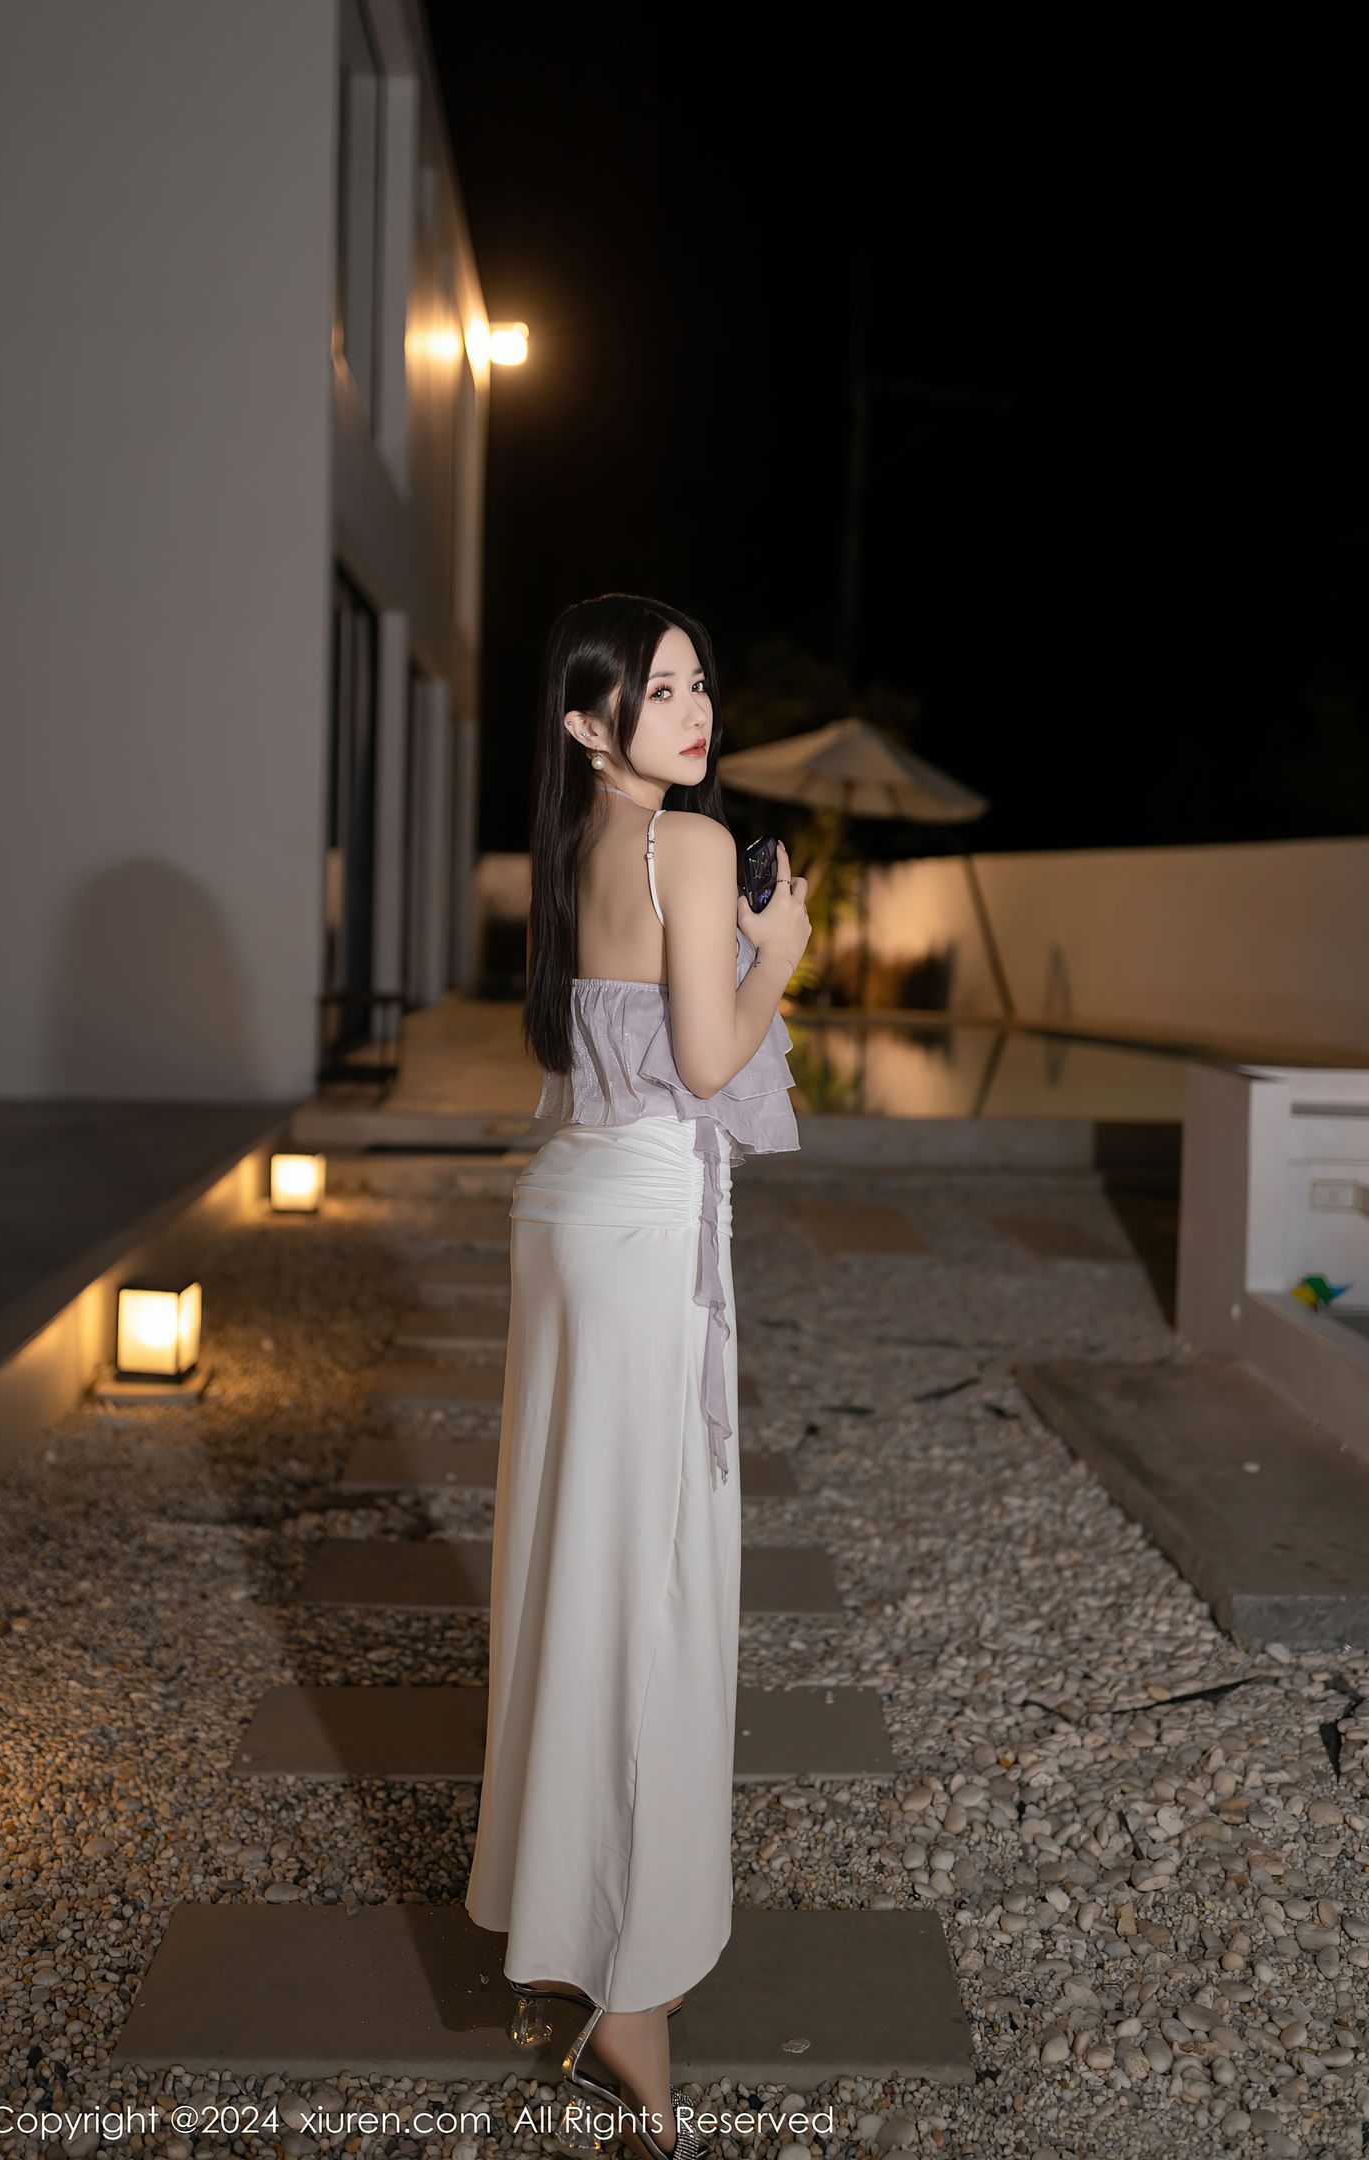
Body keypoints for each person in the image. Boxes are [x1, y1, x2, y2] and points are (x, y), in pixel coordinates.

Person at [465, 593, 810, 2160]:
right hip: (642, 1236)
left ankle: (582, 1930)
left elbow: (587, 1058)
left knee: (578, 1571)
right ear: (586, 722)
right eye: (658, 690)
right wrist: (780, 952)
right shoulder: (690, 844)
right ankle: (632, 1997)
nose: (693, 709)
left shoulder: (581, 848)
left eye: (697, 682)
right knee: (652, 1596)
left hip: (570, 1219)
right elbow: (714, 1058)